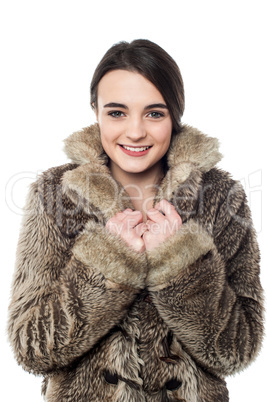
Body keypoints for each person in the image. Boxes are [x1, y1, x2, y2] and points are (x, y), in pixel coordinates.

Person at [8, 39, 264, 402]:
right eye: (117, 112)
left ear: (175, 116)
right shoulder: (55, 193)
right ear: (95, 110)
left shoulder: (222, 197)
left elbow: (237, 350)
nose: (135, 132)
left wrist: (180, 264)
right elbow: (32, 348)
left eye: (154, 113)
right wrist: (108, 263)